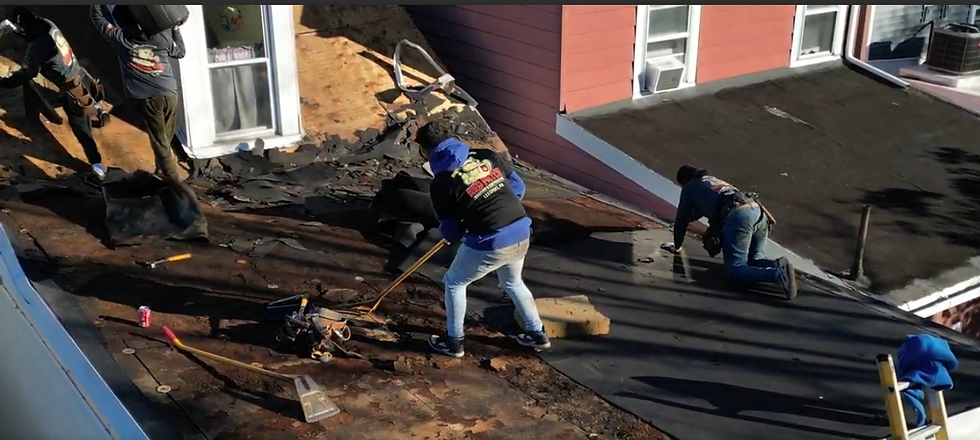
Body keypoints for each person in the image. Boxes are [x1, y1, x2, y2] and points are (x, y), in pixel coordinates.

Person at [416, 117, 550, 358]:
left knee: (455, 282)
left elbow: (451, 232)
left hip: (492, 240)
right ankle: (536, 333)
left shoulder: (442, 184)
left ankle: (454, 341)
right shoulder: (485, 155)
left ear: (427, 151)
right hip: (521, 229)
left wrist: (473, 221)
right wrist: (495, 208)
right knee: (512, 282)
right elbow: (517, 188)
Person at [0, 7, 107, 179]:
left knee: (81, 130)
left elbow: (27, 74)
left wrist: (3, 82)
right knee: (89, 100)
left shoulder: (38, 47)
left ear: (23, 26)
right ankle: (98, 111)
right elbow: (31, 36)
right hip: (79, 73)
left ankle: (98, 166)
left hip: (72, 89)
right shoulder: (46, 23)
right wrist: (15, 31)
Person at [662, 165, 798, 299]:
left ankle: (777, 275)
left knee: (734, 270)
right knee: (755, 259)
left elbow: (681, 219)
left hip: (738, 216)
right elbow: (700, 211)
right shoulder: (710, 181)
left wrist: (677, 246)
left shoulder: (689, 187)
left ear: (683, 181)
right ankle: (779, 266)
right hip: (758, 211)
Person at [90, 5, 185, 181]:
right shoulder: (160, 37)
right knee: (165, 137)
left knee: (160, 141)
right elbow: (180, 52)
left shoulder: (120, 38)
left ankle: (174, 181)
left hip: (149, 98)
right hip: (170, 93)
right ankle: (163, 169)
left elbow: (98, 19)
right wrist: (175, 29)